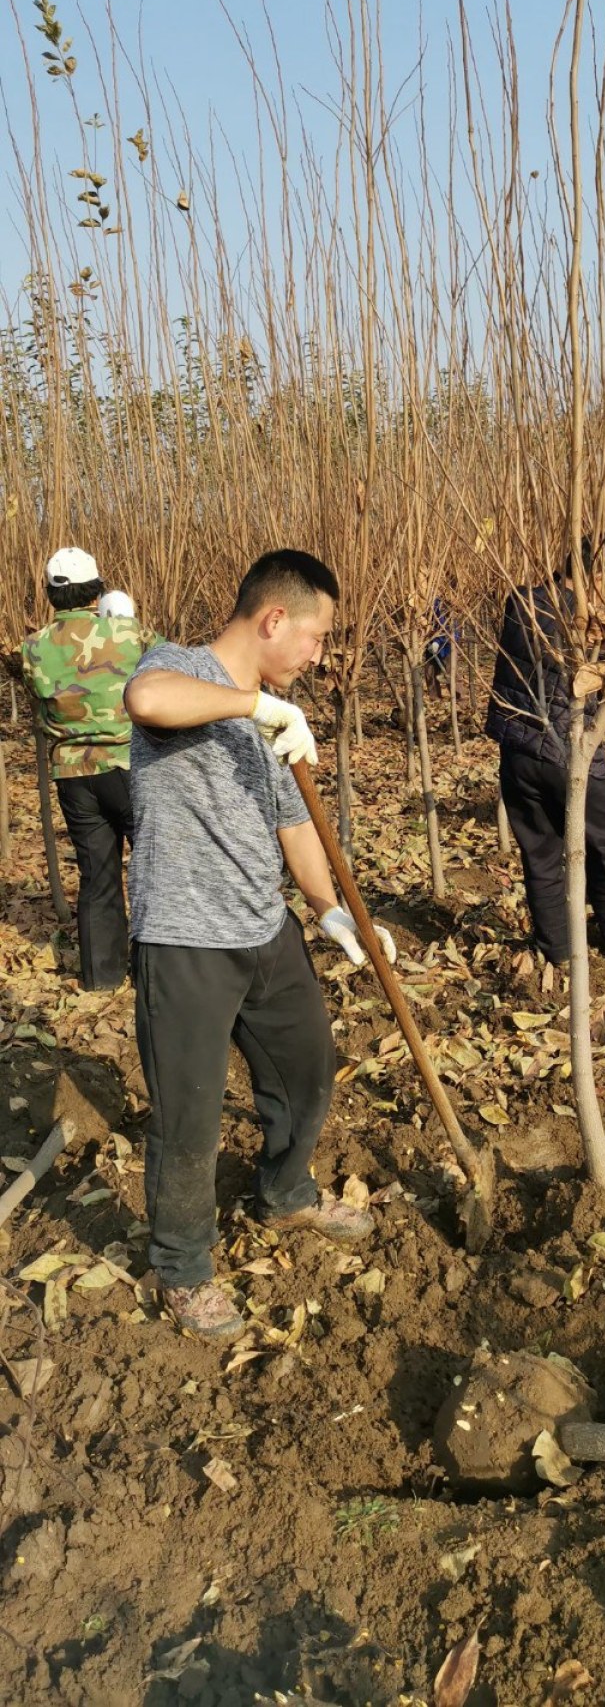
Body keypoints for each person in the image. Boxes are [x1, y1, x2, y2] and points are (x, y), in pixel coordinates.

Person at [124, 548, 397, 1343]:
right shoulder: (178, 668)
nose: (318, 656)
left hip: (263, 929)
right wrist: (249, 706)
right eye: (314, 638)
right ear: (274, 620)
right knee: (190, 1117)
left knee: (309, 1069)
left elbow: (294, 820)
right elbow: (147, 698)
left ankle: (284, 1193)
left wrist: (327, 908)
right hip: (183, 939)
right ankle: (182, 1267)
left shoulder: (274, 714)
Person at [486, 541, 605, 968]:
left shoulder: (521, 601)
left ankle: (558, 950)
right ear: (596, 578)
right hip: (569, 750)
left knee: (540, 853)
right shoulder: (590, 622)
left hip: (515, 748)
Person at [20, 547, 159, 991]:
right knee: (154, 867)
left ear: (49, 594)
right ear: (98, 588)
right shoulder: (127, 634)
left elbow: (39, 698)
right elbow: (165, 666)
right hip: (129, 764)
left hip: (74, 776)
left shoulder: (34, 647)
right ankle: (156, 970)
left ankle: (101, 978)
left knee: (97, 874)